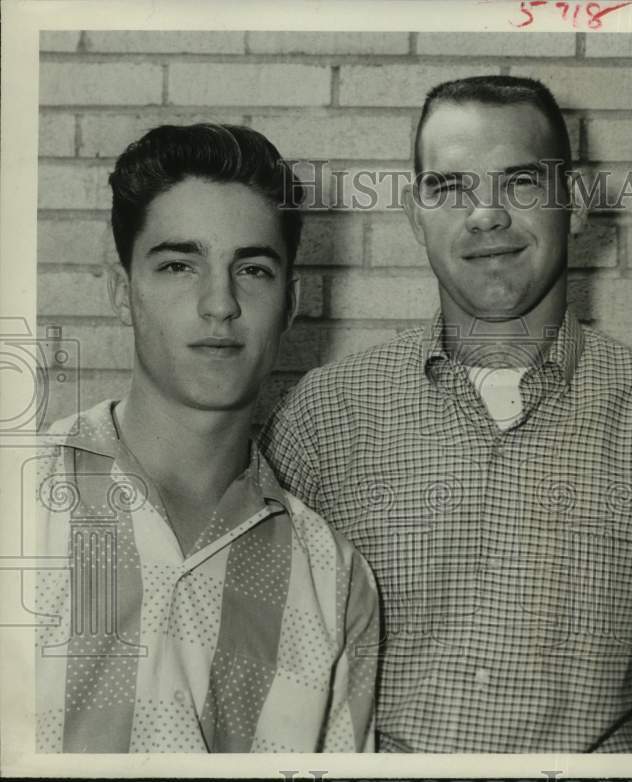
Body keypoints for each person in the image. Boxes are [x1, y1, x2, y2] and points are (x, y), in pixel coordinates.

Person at [260, 75, 632, 753]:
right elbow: (264, 679)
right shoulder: (324, 418)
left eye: (520, 183)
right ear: (415, 215)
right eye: (450, 187)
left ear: (576, 205)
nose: (486, 216)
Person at [34, 124, 379, 753]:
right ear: (121, 292)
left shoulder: (333, 578)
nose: (219, 303)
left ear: (291, 301)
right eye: (177, 265)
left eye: (252, 268)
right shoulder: (16, 504)